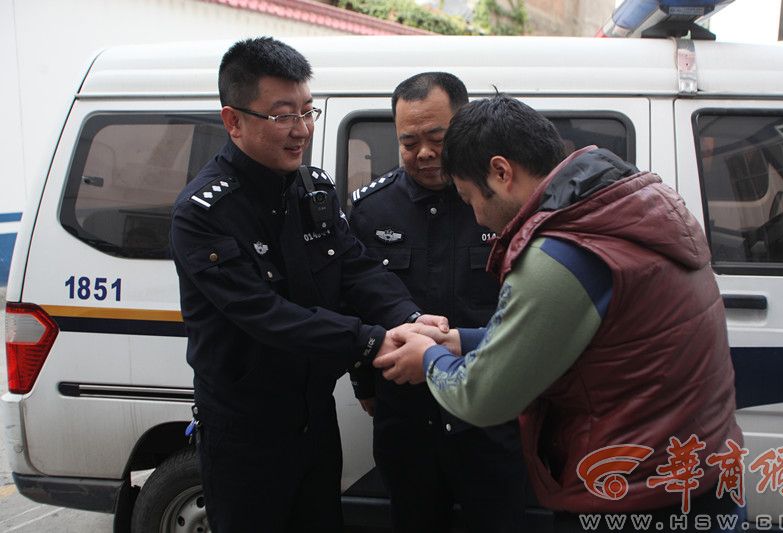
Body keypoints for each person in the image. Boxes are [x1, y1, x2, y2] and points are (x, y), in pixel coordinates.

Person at [374, 95, 745, 532]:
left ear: (501, 172)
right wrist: (458, 341)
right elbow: (575, 333)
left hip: (629, 497)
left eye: (470, 198)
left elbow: (482, 398)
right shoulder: (635, 204)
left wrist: (429, 358)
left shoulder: (561, 251)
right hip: (698, 476)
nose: (477, 217)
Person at [169, 37, 444, 533]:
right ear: (233, 121)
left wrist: (409, 318)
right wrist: (373, 341)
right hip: (246, 431)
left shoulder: (312, 189)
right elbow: (265, 315)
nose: (301, 130)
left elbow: (356, 268)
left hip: (315, 417)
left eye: (307, 111)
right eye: (282, 116)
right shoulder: (204, 213)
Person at [348, 73, 528, 533]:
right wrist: (365, 383)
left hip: (488, 414)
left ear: (463, 126)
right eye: (409, 143)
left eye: (437, 138)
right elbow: (356, 298)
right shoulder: (371, 210)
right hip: (407, 420)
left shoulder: (501, 201)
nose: (424, 153)